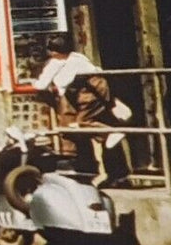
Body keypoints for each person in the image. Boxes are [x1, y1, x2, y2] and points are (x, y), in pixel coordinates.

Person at [34, 33, 131, 188]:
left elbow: (41, 85)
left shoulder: (56, 63)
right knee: (90, 129)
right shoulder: (78, 57)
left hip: (88, 90)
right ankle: (116, 174)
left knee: (84, 123)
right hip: (98, 88)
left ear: (53, 52)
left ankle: (109, 134)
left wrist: (36, 84)